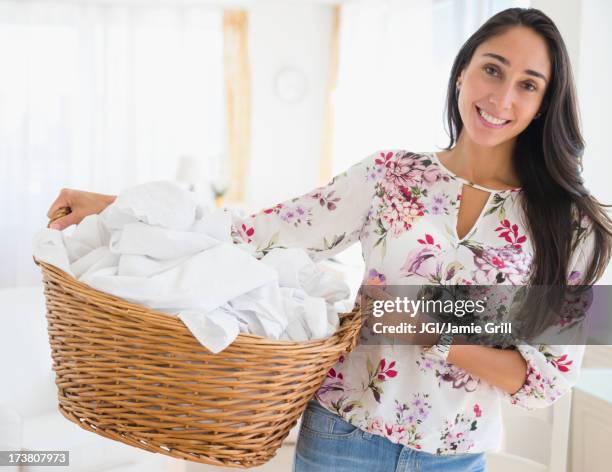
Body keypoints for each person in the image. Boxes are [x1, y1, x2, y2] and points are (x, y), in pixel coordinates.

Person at [47, 7, 612, 472]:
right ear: (462, 72)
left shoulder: (570, 224)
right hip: (344, 433)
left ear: (543, 104)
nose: (503, 96)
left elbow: (546, 380)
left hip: (455, 456)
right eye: (493, 69)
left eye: (528, 84)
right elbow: (260, 234)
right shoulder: (390, 174)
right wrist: (119, 205)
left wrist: (434, 331)